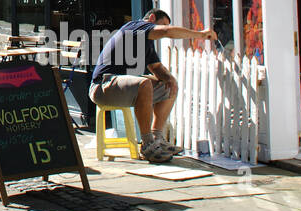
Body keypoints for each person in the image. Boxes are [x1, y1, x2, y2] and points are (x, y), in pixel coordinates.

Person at [89, 9, 215, 163]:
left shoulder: (147, 44)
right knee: (145, 83)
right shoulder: (135, 26)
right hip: (103, 86)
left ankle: (157, 138)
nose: (162, 29)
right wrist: (201, 35)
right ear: (152, 18)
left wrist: (170, 79)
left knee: (169, 86)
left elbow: (156, 68)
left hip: (121, 88)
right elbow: (166, 32)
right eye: (161, 24)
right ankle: (147, 144)